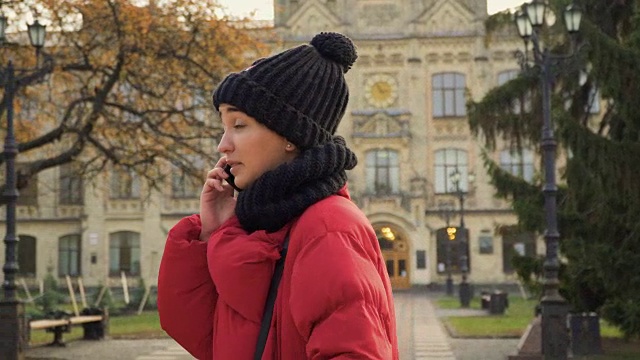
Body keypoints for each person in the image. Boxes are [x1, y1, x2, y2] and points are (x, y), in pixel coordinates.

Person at [158, 32, 399, 360]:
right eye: (224, 127)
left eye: (239, 125)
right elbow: (210, 338)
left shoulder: (328, 226)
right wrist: (213, 234)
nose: (222, 145)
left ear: (289, 136)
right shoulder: (272, 221)